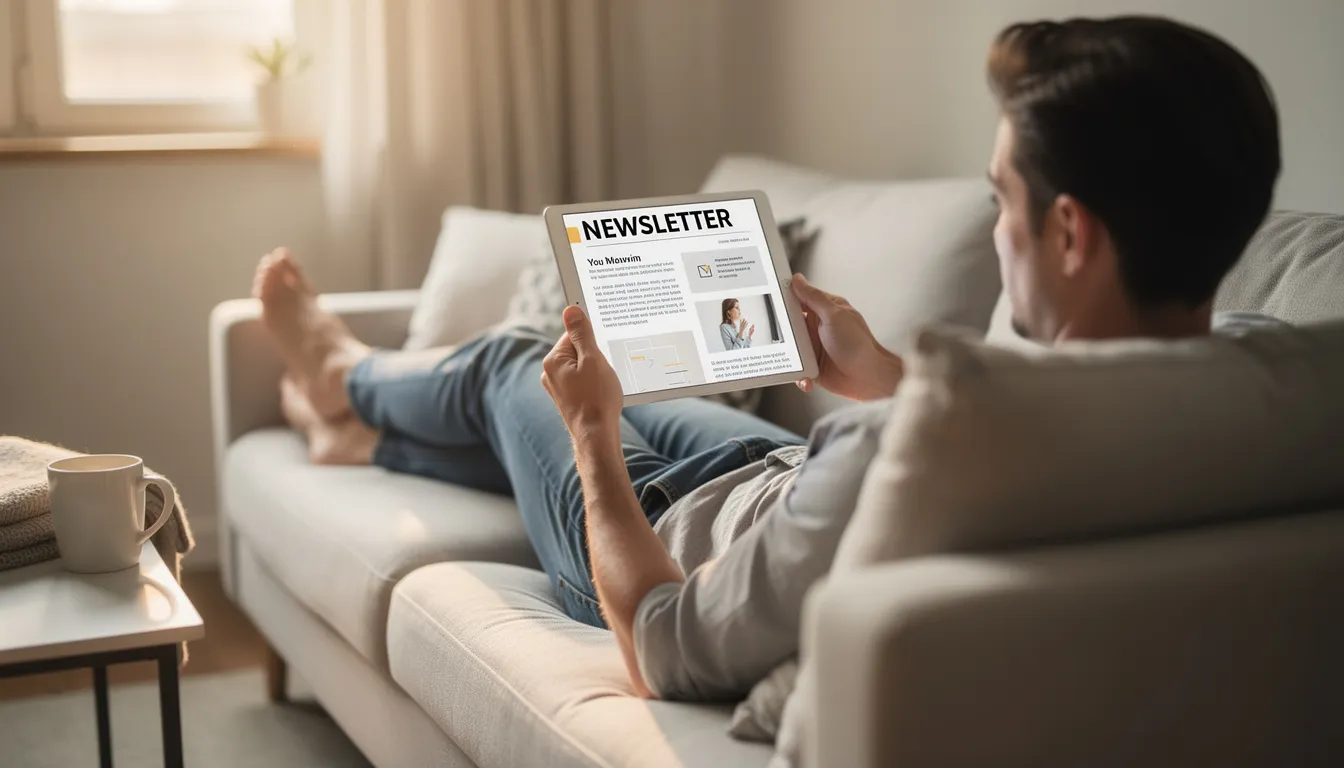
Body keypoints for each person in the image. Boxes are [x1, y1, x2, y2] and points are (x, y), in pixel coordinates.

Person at [253, 15, 1281, 700]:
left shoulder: (887, 469)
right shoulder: (1255, 387)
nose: (996, 226)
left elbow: (660, 640)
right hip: (769, 470)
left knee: (511, 363)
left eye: (1001, 200)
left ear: (1069, 234)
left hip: (667, 531)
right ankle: (363, 426)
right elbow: (1002, 436)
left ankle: (342, 374)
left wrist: (594, 439)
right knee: (537, 378)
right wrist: (881, 376)